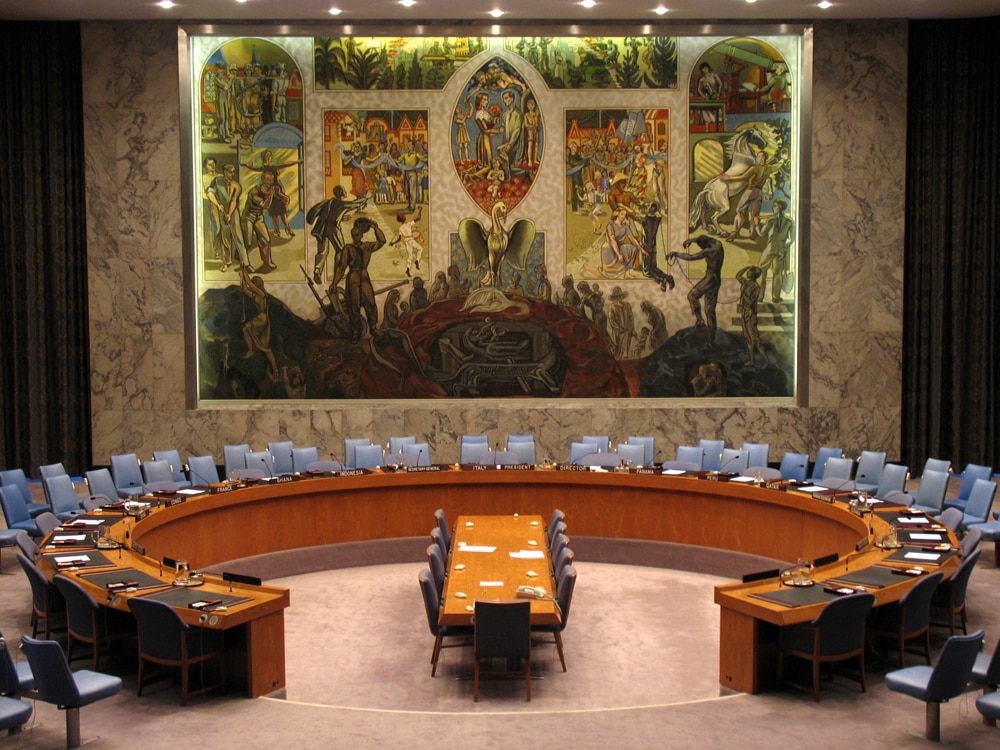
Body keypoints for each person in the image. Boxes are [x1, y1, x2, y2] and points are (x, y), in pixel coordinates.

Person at [331, 217, 385, 344]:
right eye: (353, 235)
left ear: (361, 235)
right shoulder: (348, 248)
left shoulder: (367, 246)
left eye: (357, 235)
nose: (355, 237)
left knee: (370, 302)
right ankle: (355, 332)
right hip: (353, 277)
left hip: (364, 276)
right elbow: (341, 267)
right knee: (353, 306)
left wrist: (375, 227)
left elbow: (382, 240)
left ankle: (373, 328)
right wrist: (334, 283)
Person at [668, 235, 724, 345]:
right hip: (717, 279)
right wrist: (692, 240)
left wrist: (676, 254)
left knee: (692, 295)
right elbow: (707, 238)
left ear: (705, 245)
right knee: (710, 312)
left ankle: (700, 320)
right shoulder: (717, 243)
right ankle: (711, 341)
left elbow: (691, 257)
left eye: (701, 246)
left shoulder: (709, 251)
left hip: (710, 278)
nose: (701, 248)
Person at [306, 185, 368, 285]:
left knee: (322, 251)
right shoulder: (342, 204)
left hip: (322, 228)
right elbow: (355, 204)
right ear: (342, 193)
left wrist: (342, 218)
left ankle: (317, 271)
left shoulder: (329, 202)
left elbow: (330, 214)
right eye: (344, 190)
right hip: (333, 228)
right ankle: (338, 272)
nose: (345, 192)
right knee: (341, 251)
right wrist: (366, 198)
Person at [241, 169, 286, 270]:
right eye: (268, 180)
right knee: (247, 241)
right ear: (262, 180)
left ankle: (267, 261)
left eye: (272, 180)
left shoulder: (271, 189)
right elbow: (265, 205)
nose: (271, 182)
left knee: (266, 239)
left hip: (258, 217)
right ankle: (241, 259)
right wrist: (272, 194)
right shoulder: (254, 191)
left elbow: (285, 200)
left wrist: (281, 196)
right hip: (248, 216)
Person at [239, 265, 278, 379]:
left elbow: (250, 285)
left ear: (258, 284)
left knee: (247, 327)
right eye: (254, 283)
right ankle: (251, 350)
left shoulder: (262, 293)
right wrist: (242, 278)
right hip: (259, 319)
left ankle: (274, 368)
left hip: (263, 319)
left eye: (255, 283)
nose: (254, 285)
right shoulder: (255, 294)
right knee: (263, 345)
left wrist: (245, 273)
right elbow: (245, 289)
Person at [757, 198, 794, 302]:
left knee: (761, 272)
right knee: (777, 274)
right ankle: (775, 297)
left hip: (770, 248)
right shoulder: (789, 221)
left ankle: (760, 296)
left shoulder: (770, 220)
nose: (773, 208)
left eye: (774, 206)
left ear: (779, 207)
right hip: (781, 249)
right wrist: (784, 246)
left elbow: (761, 234)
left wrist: (756, 225)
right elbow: (791, 239)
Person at [736, 265, 769, 366]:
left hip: (751, 314)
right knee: (747, 338)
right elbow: (738, 275)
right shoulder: (745, 282)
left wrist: (743, 292)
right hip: (744, 313)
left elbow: (750, 301)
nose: (748, 273)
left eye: (750, 271)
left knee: (755, 339)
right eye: (749, 271)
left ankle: (766, 361)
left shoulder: (756, 287)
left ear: (754, 275)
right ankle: (752, 361)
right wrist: (746, 267)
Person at [600, 204, 643, 278]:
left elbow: (632, 239)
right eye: (622, 214)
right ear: (617, 214)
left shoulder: (625, 226)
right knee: (607, 275)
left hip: (618, 246)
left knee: (633, 248)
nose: (623, 216)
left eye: (625, 215)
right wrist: (619, 254)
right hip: (610, 248)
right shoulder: (611, 225)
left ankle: (627, 273)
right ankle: (587, 268)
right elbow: (613, 241)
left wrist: (641, 249)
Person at [641, 202, 674, 291]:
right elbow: (658, 215)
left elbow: (636, 216)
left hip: (646, 246)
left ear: (652, 209)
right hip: (653, 246)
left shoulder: (644, 220)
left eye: (649, 206)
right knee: (654, 267)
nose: (647, 207)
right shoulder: (657, 219)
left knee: (647, 271)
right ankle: (668, 277)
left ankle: (660, 279)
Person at [390, 206, 424, 278]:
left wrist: (392, 243)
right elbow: (418, 218)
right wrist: (420, 211)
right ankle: (417, 260)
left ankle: (408, 270)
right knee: (420, 249)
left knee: (410, 256)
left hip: (407, 242)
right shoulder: (408, 224)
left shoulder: (401, 228)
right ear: (404, 218)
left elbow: (399, 239)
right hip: (411, 240)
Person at [497, 90, 523, 181]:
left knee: (507, 166)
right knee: (506, 166)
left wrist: (510, 144)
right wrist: (501, 128)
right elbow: (504, 127)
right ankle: (523, 173)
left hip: (512, 144)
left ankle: (509, 176)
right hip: (505, 142)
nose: (504, 101)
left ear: (512, 99)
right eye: (503, 99)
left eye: (506, 98)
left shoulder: (517, 113)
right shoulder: (505, 115)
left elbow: (517, 130)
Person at [607, 287, 635, 360]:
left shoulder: (627, 305)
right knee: (618, 348)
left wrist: (632, 328)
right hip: (618, 331)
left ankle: (625, 356)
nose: (619, 297)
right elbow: (611, 319)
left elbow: (631, 317)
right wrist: (618, 328)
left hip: (627, 329)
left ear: (622, 296)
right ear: (615, 297)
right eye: (617, 296)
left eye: (620, 296)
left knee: (626, 345)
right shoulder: (612, 306)